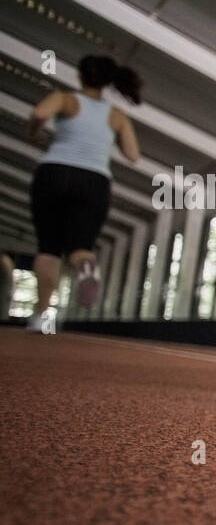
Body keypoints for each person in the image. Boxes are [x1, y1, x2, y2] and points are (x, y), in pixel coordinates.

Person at [25, 55, 142, 332]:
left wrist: (34, 132)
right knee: (80, 247)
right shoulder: (117, 115)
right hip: (95, 179)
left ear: (80, 75)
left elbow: (40, 114)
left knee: (49, 246)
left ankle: (42, 315)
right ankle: (86, 265)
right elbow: (134, 155)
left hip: (54, 171)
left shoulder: (65, 99)